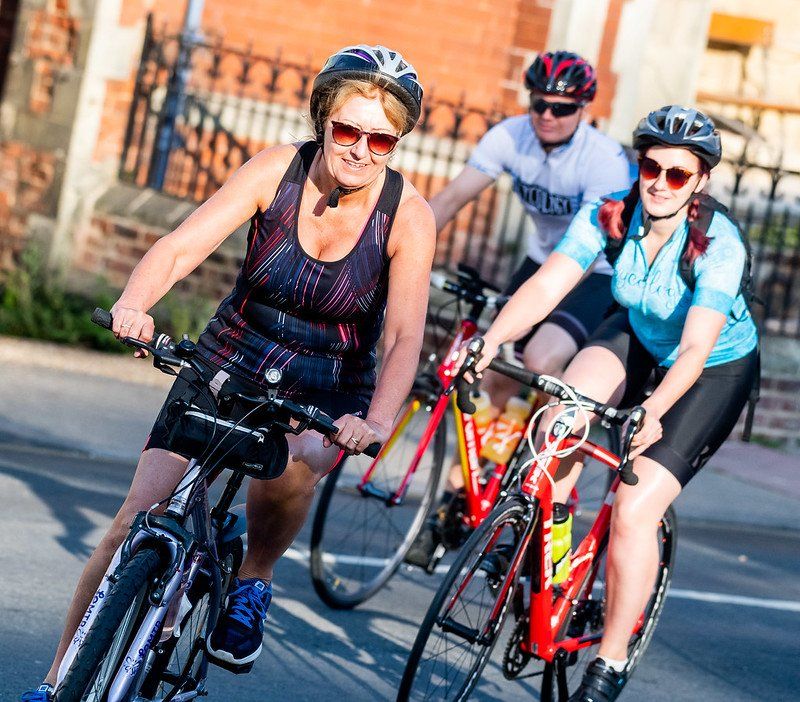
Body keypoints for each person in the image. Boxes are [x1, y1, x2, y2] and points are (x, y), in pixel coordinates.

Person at [21, 44, 436, 701]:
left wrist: (377, 419)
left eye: (380, 139)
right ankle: (55, 685)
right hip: (231, 354)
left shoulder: (407, 217)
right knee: (133, 520)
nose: (360, 149)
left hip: (327, 384)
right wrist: (136, 304)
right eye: (348, 130)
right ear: (323, 118)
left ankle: (255, 577)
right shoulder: (278, 171)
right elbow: (182, 244)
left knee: (297, 459)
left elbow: (406, 334)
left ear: (397, 142)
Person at [467, 105, 758, 701]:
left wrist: (653, 411)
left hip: (710, 370)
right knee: (559, 419)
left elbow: (699, 345)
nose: (659, 182)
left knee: (631, 510)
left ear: (700, 181)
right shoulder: (611, 214)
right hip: (638, 333)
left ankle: (611, 659)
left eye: (678, 174)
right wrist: (493, 338)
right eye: (650, 167)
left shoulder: (718, 244)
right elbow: (549, 283)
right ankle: (551, 548)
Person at [405, 50, 631, 568]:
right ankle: (464, 494)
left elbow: (593, 245)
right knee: (493, 377)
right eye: (540, 104)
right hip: (536, 262)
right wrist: (401, 249)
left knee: (538, 360)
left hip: (591, 274)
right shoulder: (510, 136)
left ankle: (524, 466)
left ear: (584, 109)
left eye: (562, 107)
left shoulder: (603, 160)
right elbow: (452, 198)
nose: (548, 115)